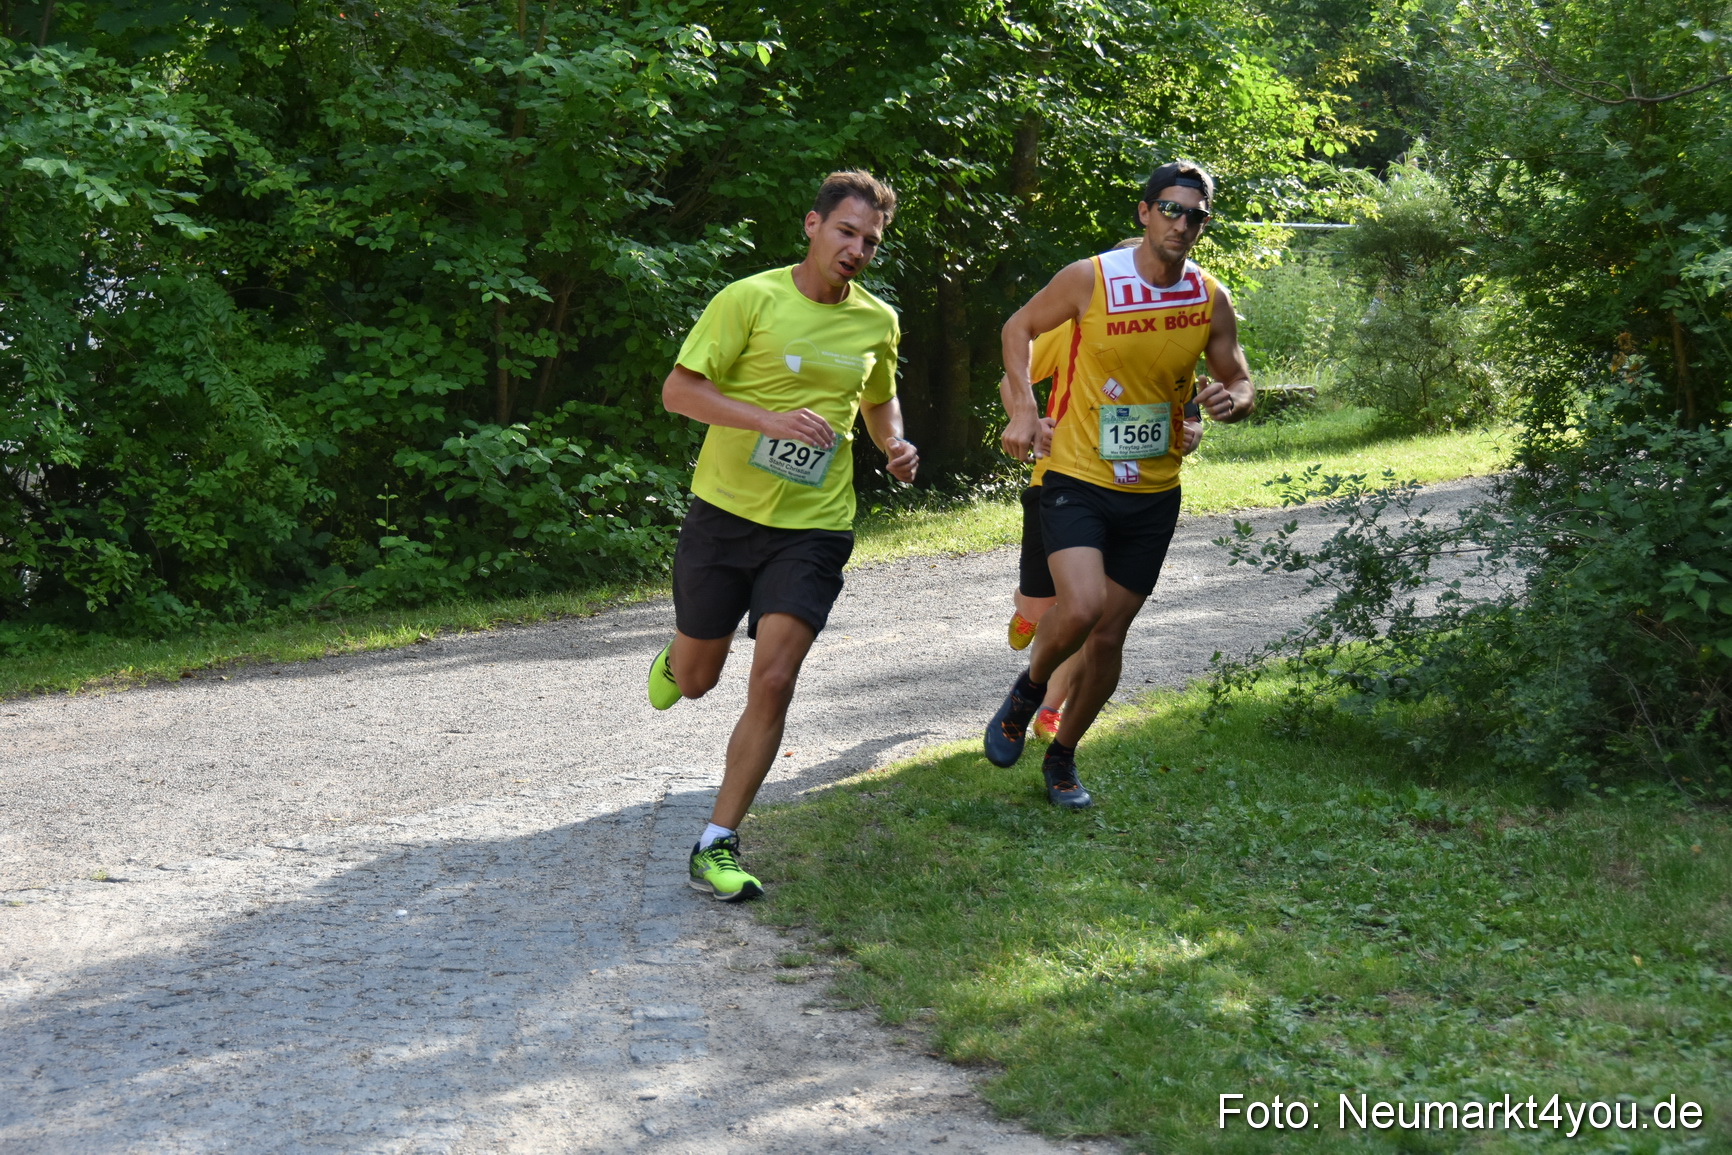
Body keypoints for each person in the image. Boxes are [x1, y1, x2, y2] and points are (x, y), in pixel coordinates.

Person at [647, 170, 917, 900]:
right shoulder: (750, 299)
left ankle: (717, 841)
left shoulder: (876, 321)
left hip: (814, 525)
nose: (857, 249)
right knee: (700, 680)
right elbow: (679, 392)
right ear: (812, 225)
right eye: (846, 232)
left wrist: (895, 445)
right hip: (726, 514)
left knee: (774, 677)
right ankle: (680, 658)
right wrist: (767, 419)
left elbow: (878, 401)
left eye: (870, 241)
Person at [985, 160, 1253, 808]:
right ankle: (1029, 689)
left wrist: (1231, 401)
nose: (1182, 223)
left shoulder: (1207, 297)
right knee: (1078, 608)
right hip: (1077, 475)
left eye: (1195, 214)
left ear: (1204, 224)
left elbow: (1238, 377)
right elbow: (1016, 329)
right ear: (1144, 211)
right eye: (1170, 208)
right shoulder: (1091, 280)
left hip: (1154, 493)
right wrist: (1024, 410)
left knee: (1108, 637)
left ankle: (1063, 755)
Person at [1003, 239, 1205, 742]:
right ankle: (1028, 613)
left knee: (1091, 620)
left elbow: (1189, 407)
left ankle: (1050, 709)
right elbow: (1016, 374)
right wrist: (1029, 417)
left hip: (1140, 492)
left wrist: (1193, 429)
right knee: (1044, 607)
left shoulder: (1174, 327)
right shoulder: (1078, 316)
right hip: (1062, 479)